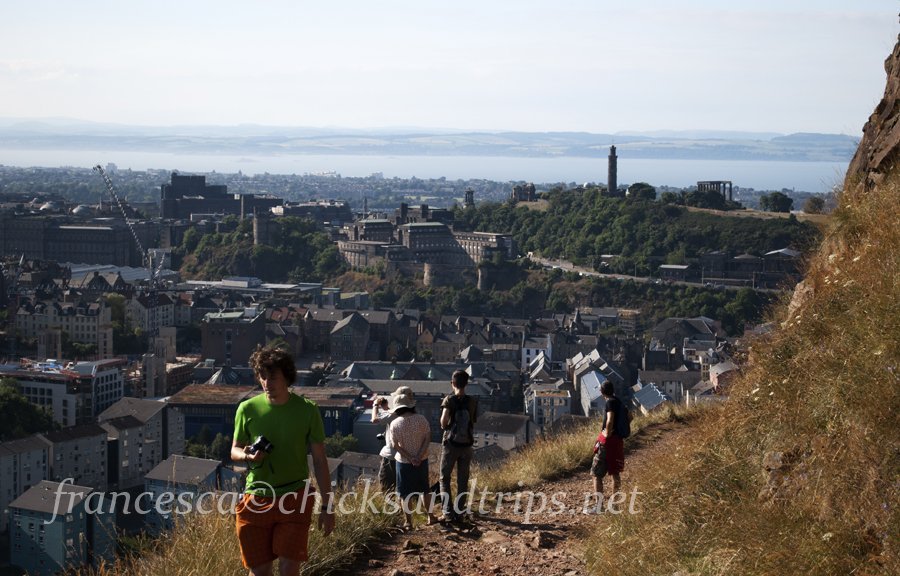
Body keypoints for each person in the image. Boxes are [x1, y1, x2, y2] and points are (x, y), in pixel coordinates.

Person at [230, 347, 335, 576]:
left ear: (287, 376)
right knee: (259, 570)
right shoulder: (246, 409)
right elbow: (234, 450)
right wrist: (248, 456)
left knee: (289, 568)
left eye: (273, 377)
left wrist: (327, 506)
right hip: (256, 496)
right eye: (263, 377)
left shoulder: (307, 410)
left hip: (294, 496)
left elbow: (319, 460)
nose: (267, 383)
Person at [387, 387, 437, 529]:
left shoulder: (395, 424)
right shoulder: (421, 419)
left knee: (405, 493)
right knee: (425, 490)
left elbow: (395, 445)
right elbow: (428, 437)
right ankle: (431, 516)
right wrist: (419, 456)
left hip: (403, 462)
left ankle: (408, 522)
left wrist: (410, 458)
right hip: (422, 460)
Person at [438, 370, 477, 521]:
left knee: (444, 478)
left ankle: (447, 513)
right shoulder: (472, 401)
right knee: (463, 478)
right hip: (467, 444)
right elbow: (472, 421)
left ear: (452, 383)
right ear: (467, 384)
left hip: (451, 444)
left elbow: (443, 421)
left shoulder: (449, 400)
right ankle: (459, 512)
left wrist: (447, 425)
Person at [589, 380, 625, 510]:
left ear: (602, 391)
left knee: (596, 473)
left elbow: (609, 420)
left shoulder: (609, 403)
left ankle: (599, 506)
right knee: (615, 473)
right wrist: (618, 431)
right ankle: (615, 506)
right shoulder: (618, 401)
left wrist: (607, 433)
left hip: (608, 443)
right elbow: (630, 416)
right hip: (618, 442)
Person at [371, 387, 410, 491]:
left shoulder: (394, 415)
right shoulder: (413, 415)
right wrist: (385, 407)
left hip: (391, 455)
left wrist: (375, 405)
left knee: (386, 484)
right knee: (402, 485)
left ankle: (388, 506)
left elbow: (374, 419)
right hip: (407, 456)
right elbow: (390, 414)